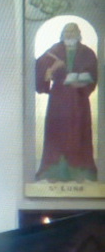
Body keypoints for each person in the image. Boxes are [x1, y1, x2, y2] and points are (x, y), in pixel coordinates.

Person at [35, 22, 98, 182]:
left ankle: (80, 170)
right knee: (57, 132)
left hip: (79, 99)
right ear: (62, 34)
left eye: (72, 31)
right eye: (66, 31)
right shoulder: (54, 51)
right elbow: (41, 66)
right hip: (59, 98)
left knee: (79, 132)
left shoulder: (87, 53)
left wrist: (81, 80)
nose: (69, 34)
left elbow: (92, 73)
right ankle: (54, 170)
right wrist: (51, 69)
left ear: (78, 34)